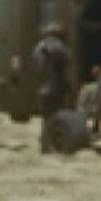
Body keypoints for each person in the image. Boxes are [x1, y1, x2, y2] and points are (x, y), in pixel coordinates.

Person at [32, 22, 74, 151]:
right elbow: (69, 58)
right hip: (55, 87)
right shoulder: (57, 46)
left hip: (42, 88)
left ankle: (45, 144)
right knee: (56, 117)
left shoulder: (38, 47)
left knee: (46, 117)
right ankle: (53, 143)